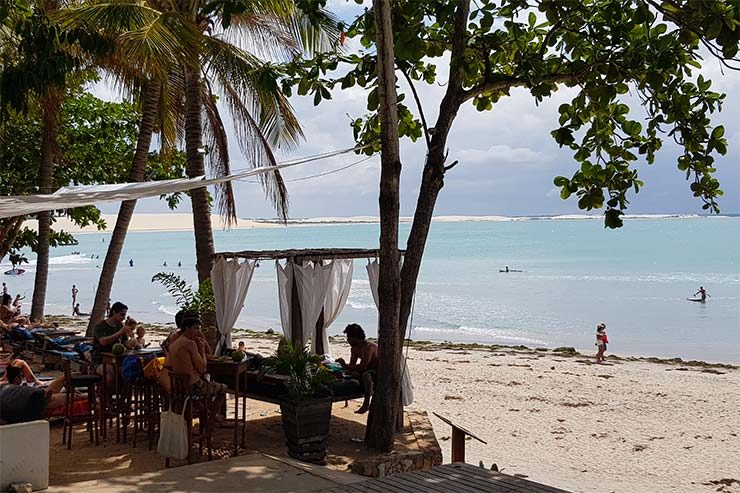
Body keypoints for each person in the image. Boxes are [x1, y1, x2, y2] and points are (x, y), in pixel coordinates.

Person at [161, 317, 226, 421]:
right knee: (223, 388)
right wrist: (201, 348)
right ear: (187, 328)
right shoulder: (190, 344)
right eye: (196, 328)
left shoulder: (173, 344)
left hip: (178, 387)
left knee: (200, 400)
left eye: (199, 328)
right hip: (193, 387)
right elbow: (202, 369)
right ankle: (210, 422)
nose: (198, 332)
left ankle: (206, 417)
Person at [336, 324, 378, 414]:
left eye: (349, 337)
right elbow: (352, 365)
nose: (347, 340)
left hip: (375, 372)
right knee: (350, 373)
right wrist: (346, 368)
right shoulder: (354, 348)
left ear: (355, 337)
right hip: (364, 371)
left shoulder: (368, 347)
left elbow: (363, 366)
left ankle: (366, 403)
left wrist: (345, 365)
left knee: (366, 376)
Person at [92, 302, 136, 385]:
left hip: (116, 359)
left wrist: (133, 341)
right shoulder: (100, 326)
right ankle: (103, 395)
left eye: (124, 315)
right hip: (100, 360)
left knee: (127, 373)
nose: (123, 318)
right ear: (114, 313)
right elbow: (103, 341)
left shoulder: (120, 326)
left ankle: (122, 396)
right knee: (110, 374)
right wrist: (119, 333)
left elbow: (126, 343)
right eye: (122, 314)